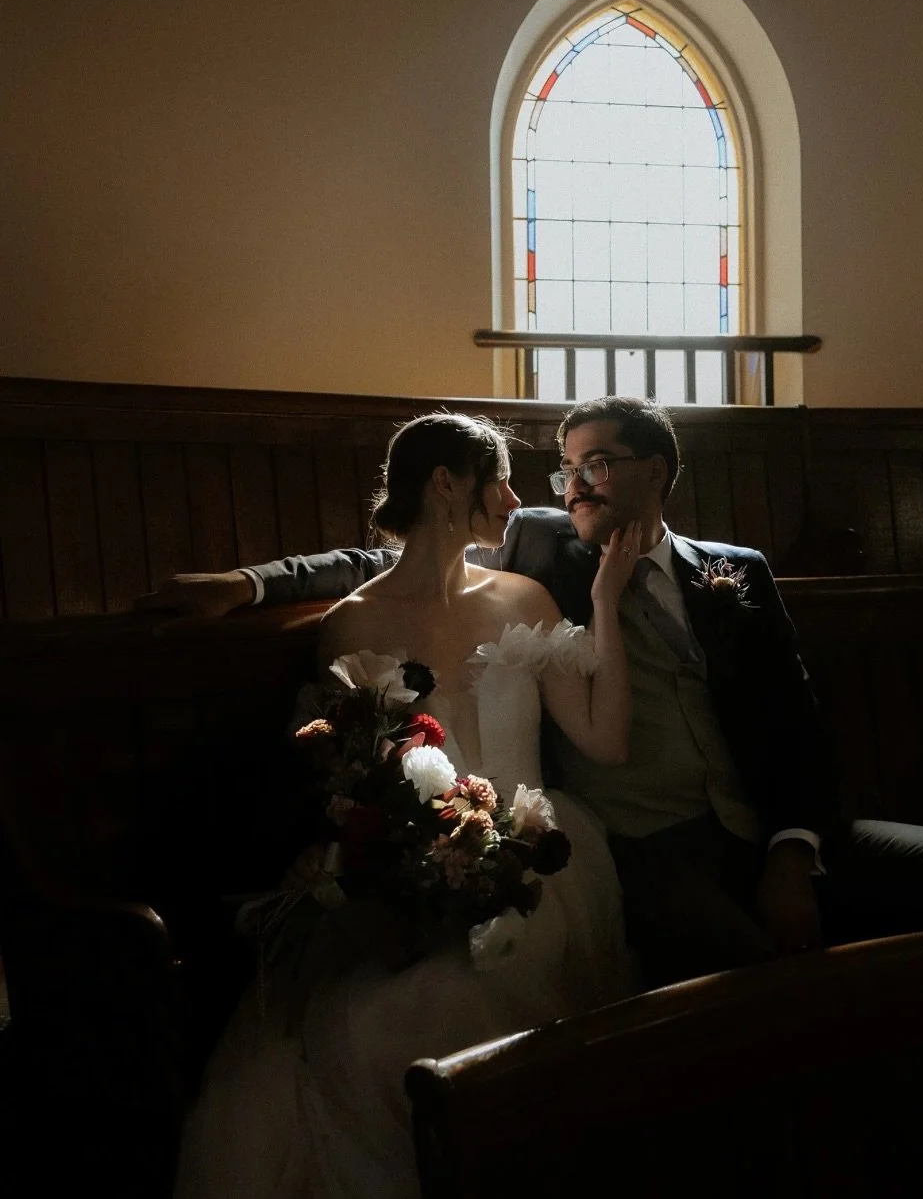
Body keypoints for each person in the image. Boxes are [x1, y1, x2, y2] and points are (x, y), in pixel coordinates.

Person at [145, 397, 923, 992]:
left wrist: (791, 851)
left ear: (657, 470)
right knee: (750, 972)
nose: (573, 485)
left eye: (598, 465)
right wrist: (246, 582)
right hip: (646, 845)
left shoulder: (737, 571)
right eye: (565, 469)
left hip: (767, 830)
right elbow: (392, 558)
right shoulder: (541, 546)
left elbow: (796, 724)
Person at [171, 412, 641, 1199]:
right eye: (499, 480)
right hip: (412, 861)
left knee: (457, 1003)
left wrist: (606, 601)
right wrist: (394, 861)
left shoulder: (524, 596)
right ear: (446, 484)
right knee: (365, 1019)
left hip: (536, 856)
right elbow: (354, 777)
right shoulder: (352, 623)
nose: (515, 500)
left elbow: (606, 741)